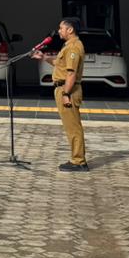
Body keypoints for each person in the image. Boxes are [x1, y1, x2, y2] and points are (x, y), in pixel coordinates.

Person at [34, 16, 89, 172]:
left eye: (61, 28)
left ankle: (78, 161)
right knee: (70, 125)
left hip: (68, 89)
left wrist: (66, 94)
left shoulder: (73, 47)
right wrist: (44, 57)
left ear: (70, 30)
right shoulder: (68, 46)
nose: (59, 31)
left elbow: (71, 73)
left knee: (73, 126)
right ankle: (77, 159)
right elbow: (60, 64)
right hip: (64, 88)